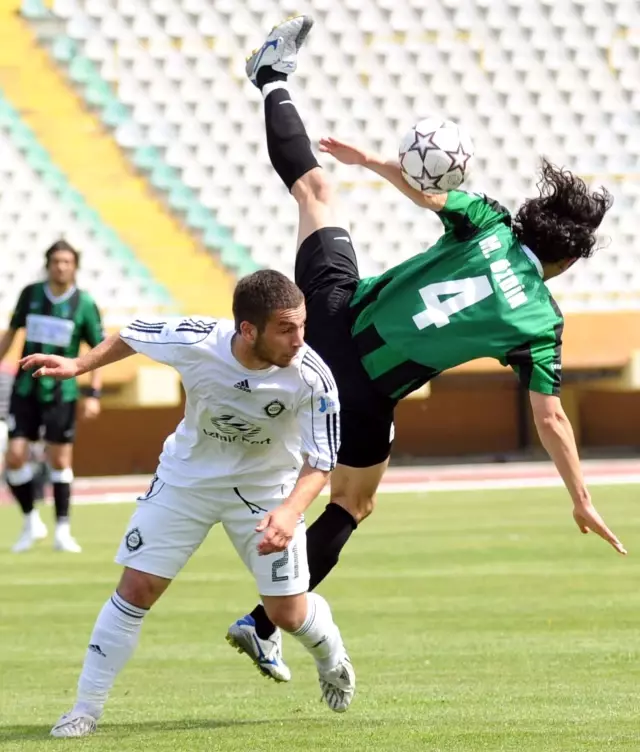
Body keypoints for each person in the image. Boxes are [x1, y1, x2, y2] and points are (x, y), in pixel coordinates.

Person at [229, 15, 627, 682]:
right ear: (566, 260)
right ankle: (261, 623)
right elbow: (551, 418)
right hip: (362, 391)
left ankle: (270, 76)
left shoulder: (491, 221)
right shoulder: (540, 322)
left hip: (332, 314)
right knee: (351, 505)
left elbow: (429, 192)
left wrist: (370, 162)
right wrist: (581, 497)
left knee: (316, 190)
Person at [20, 269, 355, 738]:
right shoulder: (196, 338)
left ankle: (331, 656)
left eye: (302, 326)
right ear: (247, 330)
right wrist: (80, 365)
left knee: (286, 615)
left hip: (266, 493)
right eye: (286, 328)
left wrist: (289, 511)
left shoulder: (312, 377)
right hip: (187, 480)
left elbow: (322, 461)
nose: (300, 339)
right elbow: (133, 335)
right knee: (135, 589)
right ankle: (84, 709)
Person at [0, 240, 104, 553]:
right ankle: (31, 521)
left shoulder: (84, 303)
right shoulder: (30, 294)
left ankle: (63, 530)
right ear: (48, 264)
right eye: (56, 261)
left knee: (59, 459)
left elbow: (97, 350)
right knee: (15, 455)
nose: (61, 266)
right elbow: (12, 332)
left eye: (67, 262)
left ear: (75, 266)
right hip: (25, 388)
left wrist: (94, 393)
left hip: (62, 391)